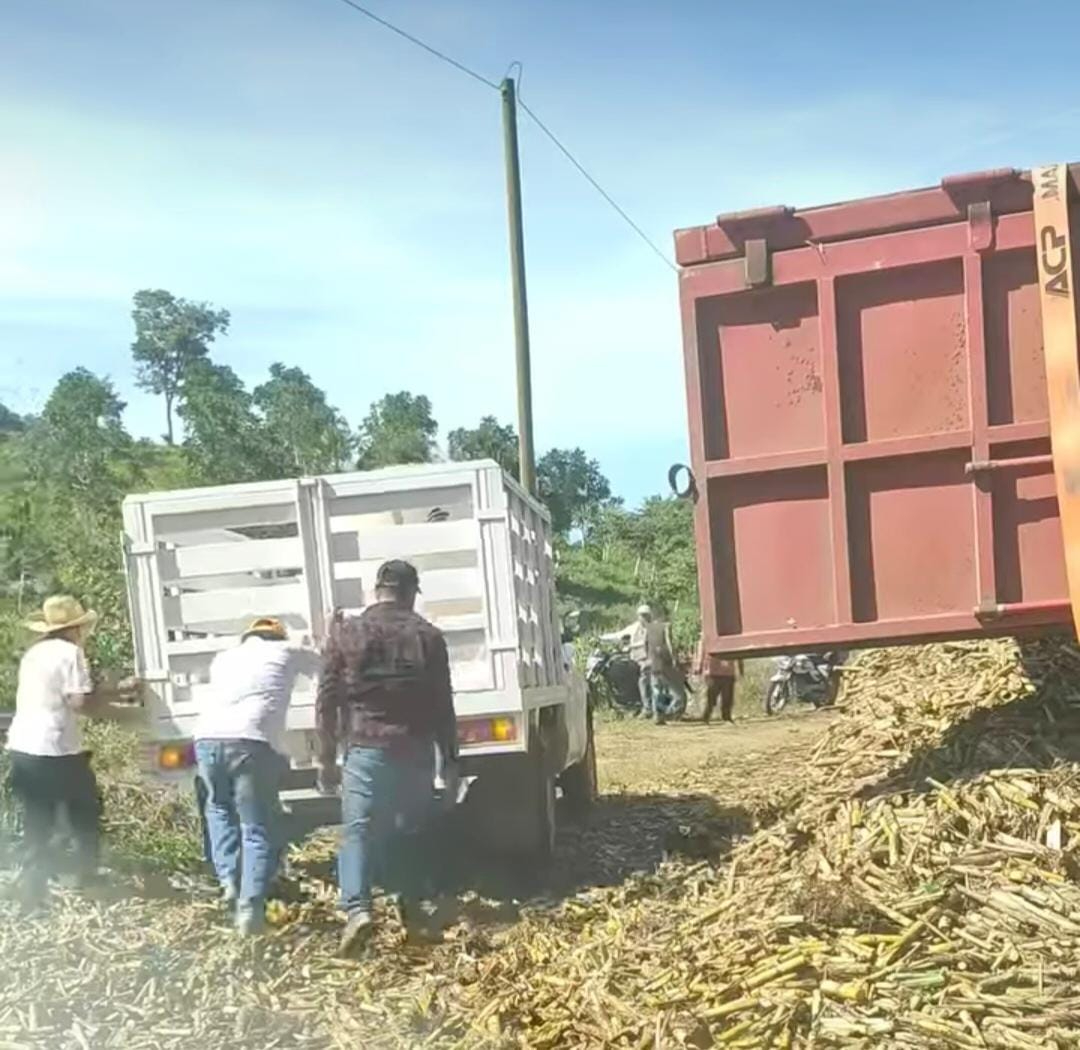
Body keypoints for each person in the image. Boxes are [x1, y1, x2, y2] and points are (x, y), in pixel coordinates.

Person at [315, 559, 457, 955]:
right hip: (414, 747)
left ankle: (359, 909)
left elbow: (327, 699)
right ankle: (413, 910)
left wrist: (326, 757)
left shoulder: (347, 632)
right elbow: (443, 704)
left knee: (358, 829)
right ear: (412, 593)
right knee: (411, 830)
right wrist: (450, 761)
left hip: (365, 748)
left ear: (376, 590)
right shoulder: (428, 636)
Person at [193, 616, 319, 935]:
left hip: (206, 740)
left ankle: (229, 883)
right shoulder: (287, 650)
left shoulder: (225, 658)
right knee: (256, 826)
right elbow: (326, 669)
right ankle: (250, 910)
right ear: (277, 636)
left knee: (219, 808)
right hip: (250, 742)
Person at [6, 595, 135, 906]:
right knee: (85, 811)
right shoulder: (70, 653)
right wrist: (123, 711)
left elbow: (68, 692)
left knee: (39, 819)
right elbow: (79, 702)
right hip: (56, 748)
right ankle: (85, 876)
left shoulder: (34, 653)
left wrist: (119, 689)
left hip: (23, 746)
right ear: (76, 628)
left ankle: (32, 891)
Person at [642, 607, 685, 725]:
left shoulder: (648, 627)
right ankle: (670, 712)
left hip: (653, 662)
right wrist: (674, 658)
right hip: (665, 662)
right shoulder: (666, 626)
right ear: (664, 615)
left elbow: (645, 644)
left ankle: (658, 715)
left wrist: (648, 657)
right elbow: (669, 642)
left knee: (656, 689)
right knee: (677, 691)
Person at [695, 635, 743, 725]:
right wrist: (699, 667)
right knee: (712, 698)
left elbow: (739, 653)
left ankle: (724, 717)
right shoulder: (706, 637)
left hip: (725, 672)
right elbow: (701, 652)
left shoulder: (732, 638)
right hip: (714, 672)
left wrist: (699, 667)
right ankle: (707, 717)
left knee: (726, 698)